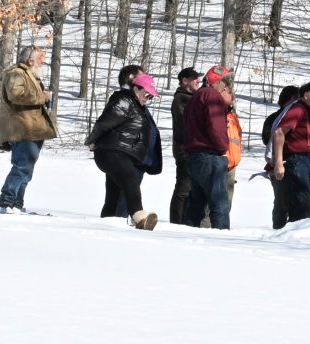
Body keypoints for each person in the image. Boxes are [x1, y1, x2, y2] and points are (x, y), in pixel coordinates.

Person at [86, 65, 162, 226]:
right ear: (136, 87)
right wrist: (92, 140)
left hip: (120, 152)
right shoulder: (124, 100)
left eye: (151, 97)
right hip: (112, 151)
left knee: (113, 194)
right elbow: (105, 121)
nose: (148, 98)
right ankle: (140, 218)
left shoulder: (136, 104)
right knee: (130, 181)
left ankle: (107, 223)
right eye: (146, 94)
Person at [0, 45, 56, 213]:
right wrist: (42, 96)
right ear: (30, 60)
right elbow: (16, 95)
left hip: (32, 129)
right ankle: (6, 200)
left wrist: (44, 97)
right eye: (40, 59)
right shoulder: (17, 73)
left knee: (27, 169)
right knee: (22, 166)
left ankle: (16, 203)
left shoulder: (30, 75)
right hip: (23, 128)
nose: (42, 62)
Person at [176, 65, 240, 230]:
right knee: (220, 205)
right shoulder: (211, 95)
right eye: (225, 85)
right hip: (209, 156)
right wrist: (222, 148)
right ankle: (222, 240)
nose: (226, 89)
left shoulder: (196, 97)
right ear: (218, 83)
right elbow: (215, 126)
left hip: (194, 156)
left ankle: (188, 234)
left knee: (196, 204)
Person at [269, 81, 310, 227]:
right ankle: (295, 240)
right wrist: (279, 162)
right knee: (301, 205)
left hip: (305, 162)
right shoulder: (298, 109)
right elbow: (279, 132)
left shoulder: (308, 113)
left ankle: (296, 238)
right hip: (296, 161)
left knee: (302, 204)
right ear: (306, 95)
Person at [166, 67, 205, 226]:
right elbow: (186, 125)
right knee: (183, 188)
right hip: (185, 150)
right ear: (185, 81)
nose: (198, 81)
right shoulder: (181, 99)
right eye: (195, 78)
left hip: (192, 150)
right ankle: (176, 222)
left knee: (190, 189)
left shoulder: (192, 97)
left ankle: (186, 221)